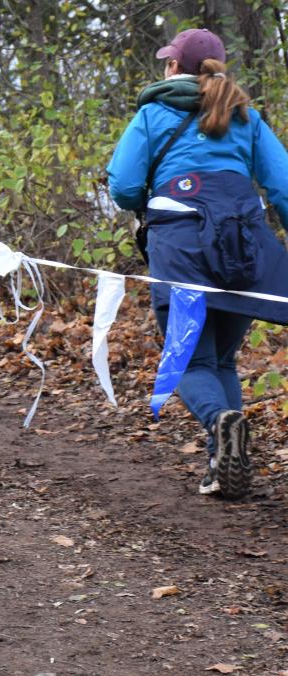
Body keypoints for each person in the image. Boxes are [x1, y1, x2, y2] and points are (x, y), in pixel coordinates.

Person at [108, 28, 288, 499]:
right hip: (241, 248)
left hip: (181, 251)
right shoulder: (246, 115)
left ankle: (219, 422)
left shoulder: (152, 114)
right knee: (222, 360)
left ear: (173, 67)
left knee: (189, 357)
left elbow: (124, 188)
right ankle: (226, 464)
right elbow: (283, 186)